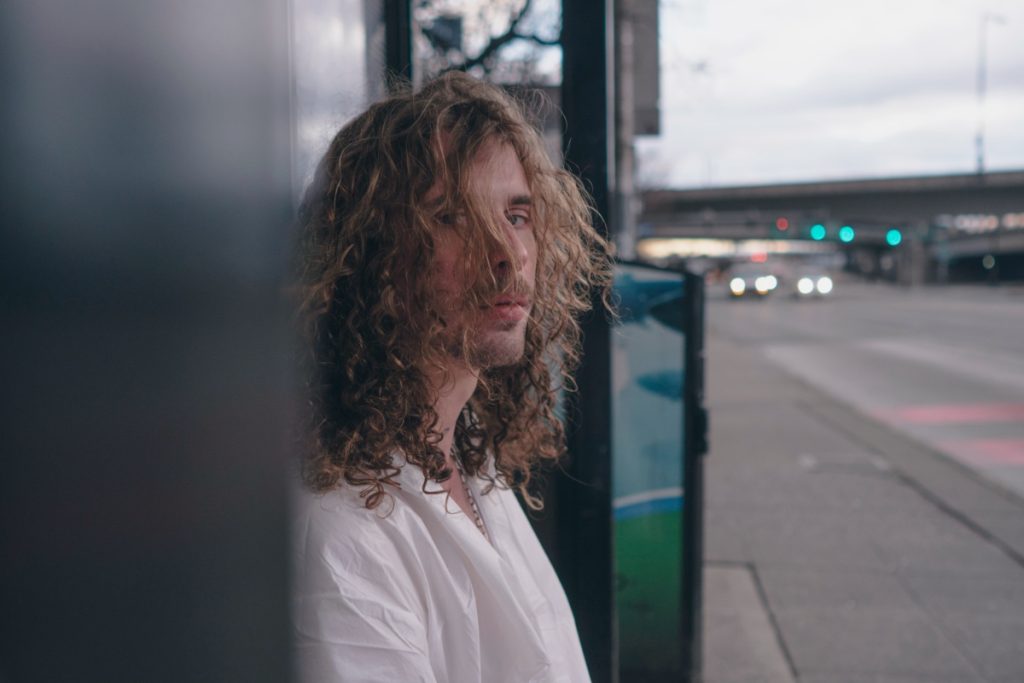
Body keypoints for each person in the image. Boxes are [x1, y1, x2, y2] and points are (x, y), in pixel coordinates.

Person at [291, 71, 612, 682]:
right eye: (452, 216)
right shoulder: (337, 531)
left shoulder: (467, 458)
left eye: (517, 215)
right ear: (367, 252)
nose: (508, 252)